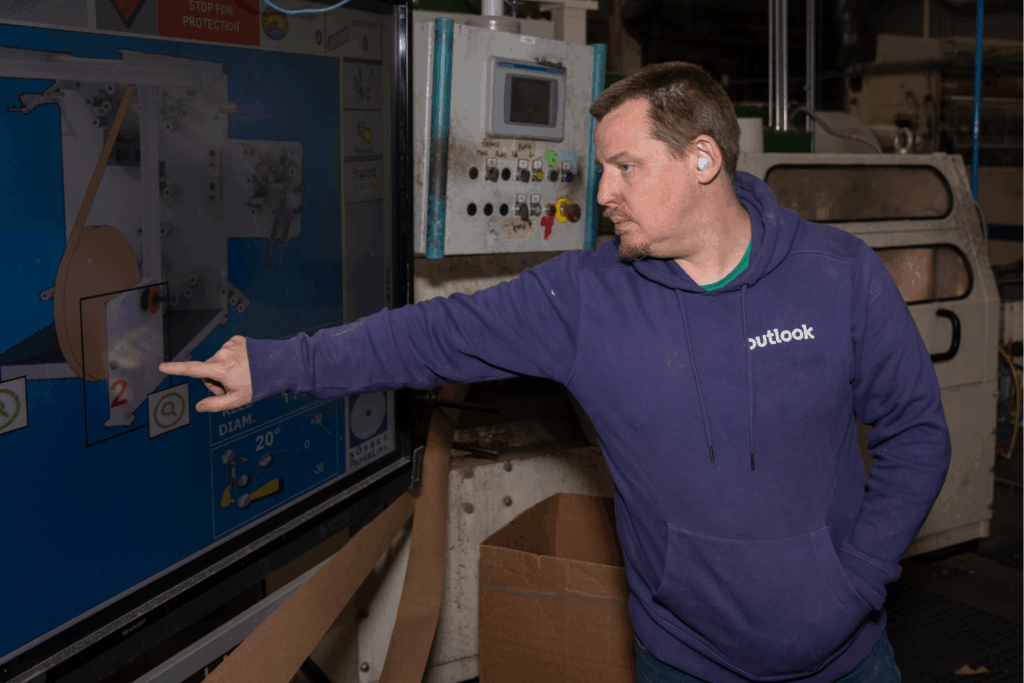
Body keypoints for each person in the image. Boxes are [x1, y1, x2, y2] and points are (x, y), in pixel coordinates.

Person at [161, 62, 950, 683]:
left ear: (702, 159)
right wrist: (277, 364)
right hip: (685, 660)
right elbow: (430, 334)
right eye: (598, 168)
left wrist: (853, 583)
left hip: (845, 657)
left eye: (625, 166)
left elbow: (917, 435)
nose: (602, 193)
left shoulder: (837, 275)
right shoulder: (586, 299)